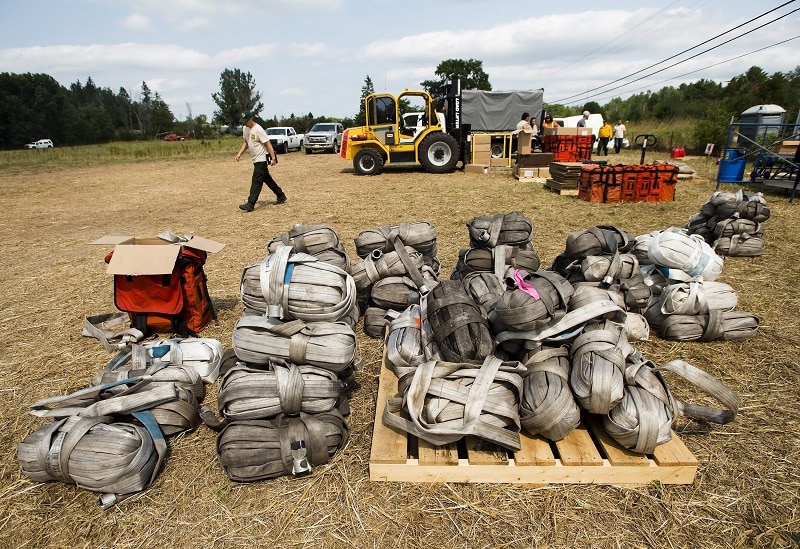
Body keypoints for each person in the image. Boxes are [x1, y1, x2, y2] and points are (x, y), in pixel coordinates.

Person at [235, 109, 287, 212]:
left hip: (261, 159)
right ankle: (281, 196)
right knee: (267, 179)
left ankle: (250, 204)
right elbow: (246, 142)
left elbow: (268, 144)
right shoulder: (245, 129)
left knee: (256, 180)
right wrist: (239, 153)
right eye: (243, 122)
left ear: (251, 119)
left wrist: (273, 158)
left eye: (246, 121)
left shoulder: (258, 129)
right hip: (255, 159)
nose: (244, 123)